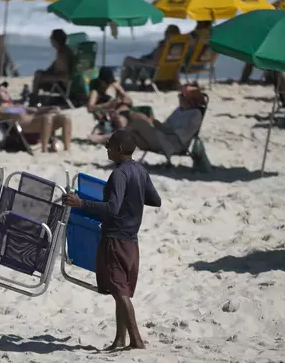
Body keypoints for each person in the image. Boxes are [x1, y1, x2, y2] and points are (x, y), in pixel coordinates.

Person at [63, 129, 161, 350]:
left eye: (108, 144)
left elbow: (112, 208)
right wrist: (133, 197)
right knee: (120, 291)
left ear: (118, 149)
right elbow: (155, 200)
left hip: (115, 239)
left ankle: (136, 341)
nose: (106, 148)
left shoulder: (119, 174)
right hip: (131, 240)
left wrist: (81, 204)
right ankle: (120, 339)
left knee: (119, 291)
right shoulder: (140, 170)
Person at [0, 82, 72, 152]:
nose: (6, 92)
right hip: (25, 127)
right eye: (2, 91)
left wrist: (50, 108)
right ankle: (44, 150)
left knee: (65, 117)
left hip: (35, 122)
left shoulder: (17, 106)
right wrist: (21, 109)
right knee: (47, 118)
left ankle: (67, 149)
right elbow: (8, 113)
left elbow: (35, 110)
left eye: (6, 91)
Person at [128, 85, 206, 158]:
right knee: (134, 133)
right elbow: (166, 124)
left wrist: (160, 128)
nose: (179, 97)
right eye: (179, 94)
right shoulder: (179, 110)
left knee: (138, 120)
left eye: (182, 95)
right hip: (163, 137)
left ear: (191, 100)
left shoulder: (195, 114)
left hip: (172, 144)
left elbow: (182, 134)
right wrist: (155, 123)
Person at [87, 67, 150, 144]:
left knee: (143, 118)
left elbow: (129, 100)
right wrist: (106, 105)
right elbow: (90, 108)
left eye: (111, 82)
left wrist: (124, 100)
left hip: (127, 111)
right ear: (101, 81)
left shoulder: (115, 85)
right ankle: (103, 138)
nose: (110, 84)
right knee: (123, 127)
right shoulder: (96, 92)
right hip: (114, 115)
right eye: (108, 82)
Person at [31, 29, 74, 97]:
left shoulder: (62, 54)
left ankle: (33, 98)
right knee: (39, 74)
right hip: (66, 84)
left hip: (64, 86)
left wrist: (45, 78)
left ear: (56, 40)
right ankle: (33, 96)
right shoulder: (66, 50)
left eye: (51, 37)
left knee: (38, 75)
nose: (50, 39)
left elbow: (65, 76)